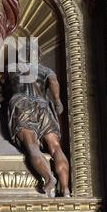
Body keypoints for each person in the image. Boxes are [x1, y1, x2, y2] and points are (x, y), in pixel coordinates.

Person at [7, 55, 70, 197]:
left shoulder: (11, 68)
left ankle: (49, 178)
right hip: (42, 104)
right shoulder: (45, 70)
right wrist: (58, 100)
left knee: (32, 145)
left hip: (21, 102)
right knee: (55, 147)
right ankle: (65, 189)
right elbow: (54, 82)